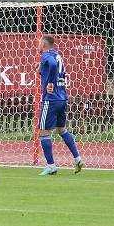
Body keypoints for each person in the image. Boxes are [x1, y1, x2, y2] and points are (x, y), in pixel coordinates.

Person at [36, 35, 83, 176]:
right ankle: (77, 158)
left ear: (44, 45)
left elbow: (51, 65)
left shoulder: (47, 56)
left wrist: (50, 82)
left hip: (51, 99)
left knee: (43, 131)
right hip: (62, 98)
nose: (38, 46)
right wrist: (40, 69)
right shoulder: (57, 55)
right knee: (61, 129)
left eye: (39, 44)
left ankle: (51, 165)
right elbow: (51, 67)